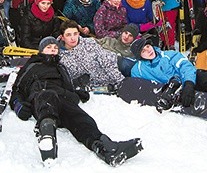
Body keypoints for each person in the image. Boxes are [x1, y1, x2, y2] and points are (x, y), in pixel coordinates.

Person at [8, 36, 142, 164]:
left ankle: (104, 148)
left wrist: (77, 93)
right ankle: (47, 138)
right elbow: (17, 90)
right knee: (48, 95)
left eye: (55, 47)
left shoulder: (61, 68)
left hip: (61, 101)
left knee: (81, 118)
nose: (53, 49)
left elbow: (68, 88)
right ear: (41, 50)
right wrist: (18, 105)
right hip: (42, 101)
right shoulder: (33, 66)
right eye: (49, 47)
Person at [130, 34, 207, 106]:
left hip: (189, 81)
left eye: (148, 46)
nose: (148, 50)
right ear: (139, 56)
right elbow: (141, 87)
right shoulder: (139, 70)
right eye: (143, 51)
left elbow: (186, 67)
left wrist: (189, 84)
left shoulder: (169, 55)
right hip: (172, 91)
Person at [58, 20, 125, 88]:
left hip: (113, 66)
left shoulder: (89, 42)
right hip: (95, 86)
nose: (73, 38)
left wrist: (121, 80)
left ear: (78, 34)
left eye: (75, 34)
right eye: (68, 35)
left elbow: (106, 60)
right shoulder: (60, 56)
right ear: (62, 37)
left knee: (129, 67)